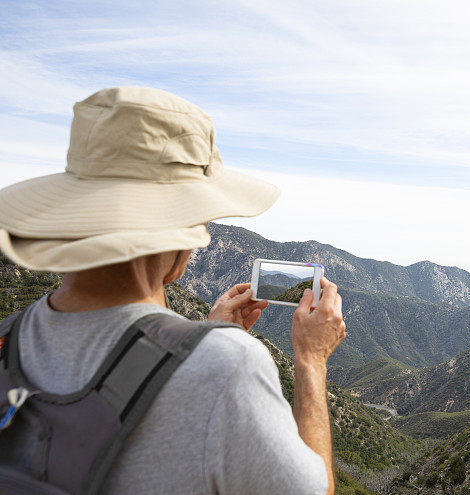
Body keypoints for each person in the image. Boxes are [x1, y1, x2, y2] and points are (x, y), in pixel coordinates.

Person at [0, 87, 346, 494]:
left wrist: (194, 337)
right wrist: (311, 361)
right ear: (178, 232)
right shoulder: (227, 365)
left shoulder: (8, 338)